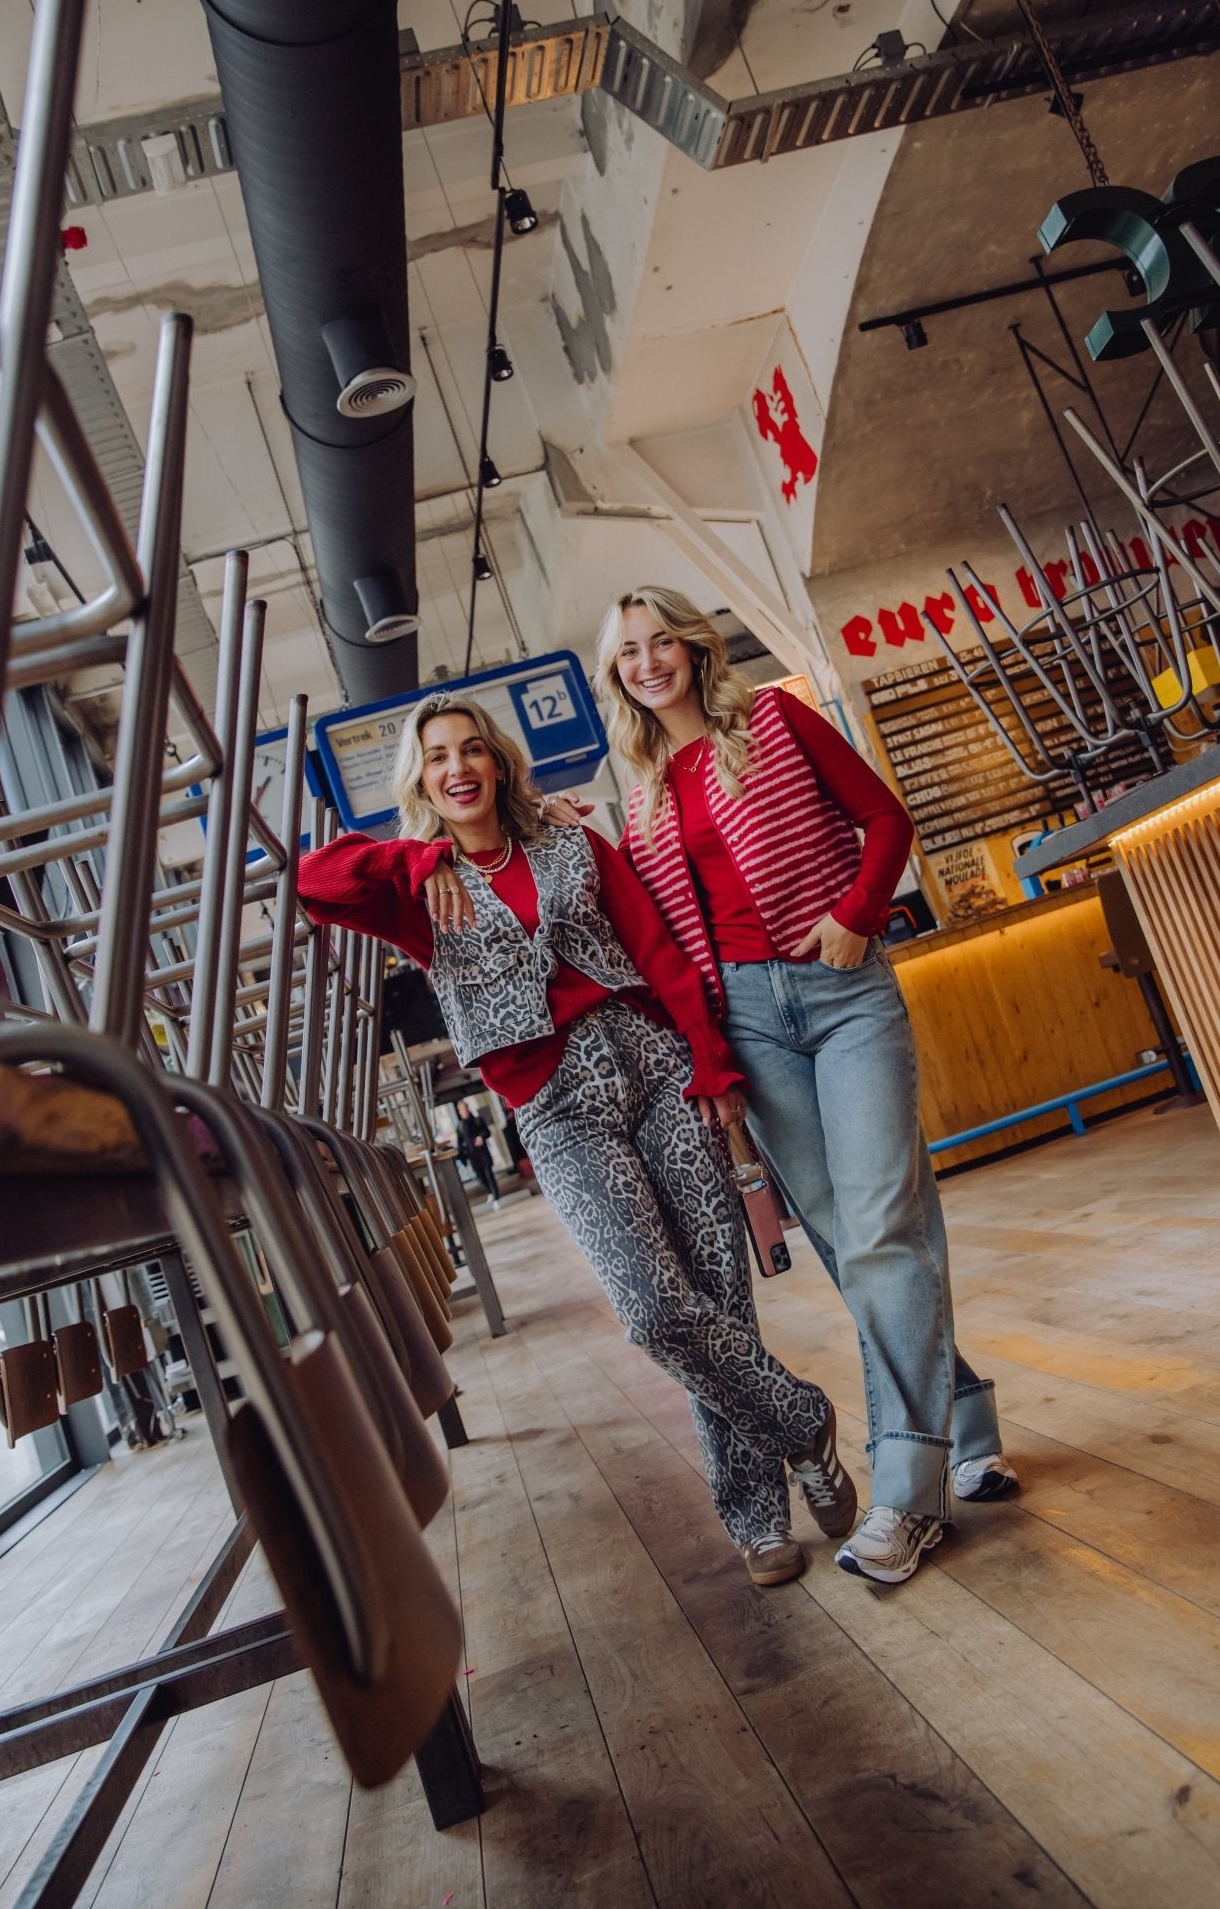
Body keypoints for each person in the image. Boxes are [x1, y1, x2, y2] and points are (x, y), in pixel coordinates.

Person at [298, 692, 856, 1586]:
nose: (458, 768)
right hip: (556, 1109)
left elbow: (657, 951)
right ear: (421, 781)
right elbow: (314, 880)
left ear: (498, 762)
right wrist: (418, 855)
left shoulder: (570, 842)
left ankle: (757, 1521)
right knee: (653, 1310)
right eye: (438, 757)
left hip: (656, 1067)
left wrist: (710, 1064)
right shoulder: (413, 890)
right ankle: (801, 1423)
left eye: (472, 749)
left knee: (718, 1297)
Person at [582, 586, 1017, 1586]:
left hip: (841, 989)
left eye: (662, 641)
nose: (649, 662)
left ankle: (907, 1493)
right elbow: (652, 938)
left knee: (882, 1226)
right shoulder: (641, 800)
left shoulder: (775, 718)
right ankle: (967, 1414)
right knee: (848, 1241)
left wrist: (859, 912)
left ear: (695, 648)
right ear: (617, 677)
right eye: (628, 653)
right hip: (746, 1021)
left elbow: (884, 817)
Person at [455, 1097, 501, 1207]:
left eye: (465, 1108)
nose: (464, 1111)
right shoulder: (460, 1126)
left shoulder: (478, 1120)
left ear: (468, 1108)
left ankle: (496, 1197)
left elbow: (487, 1132)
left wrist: (481, 1137)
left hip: (483, 1153)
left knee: (489, 1174)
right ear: (459, 1112)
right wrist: (462, 1157)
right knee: (480, 1176)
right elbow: (459, 1143)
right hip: (472, 1156)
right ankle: (490, 1192)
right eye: (461, 1109)